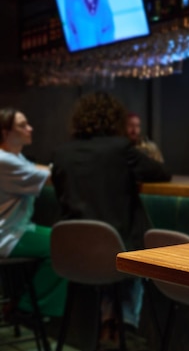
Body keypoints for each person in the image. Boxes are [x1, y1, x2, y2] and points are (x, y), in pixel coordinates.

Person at [51, 91, 171, 340]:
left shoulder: (61, 154)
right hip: (118, 254)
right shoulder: (120, 148)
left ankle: (108, 324)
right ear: (114, 119)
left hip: (76, 256)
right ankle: (125, 327)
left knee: (111, 252)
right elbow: (160, 173)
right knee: (132, 253)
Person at [0, 108, 67, 318]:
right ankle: (28, 307)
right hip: (6, 234)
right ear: (5, 133)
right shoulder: (5, 161)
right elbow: (50, 177)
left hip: (16, 228)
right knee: (65, 247)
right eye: (22, 125)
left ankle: (22, 300)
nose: (30, 128)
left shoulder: (12, 157)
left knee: (66, 239)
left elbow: (34, 167)